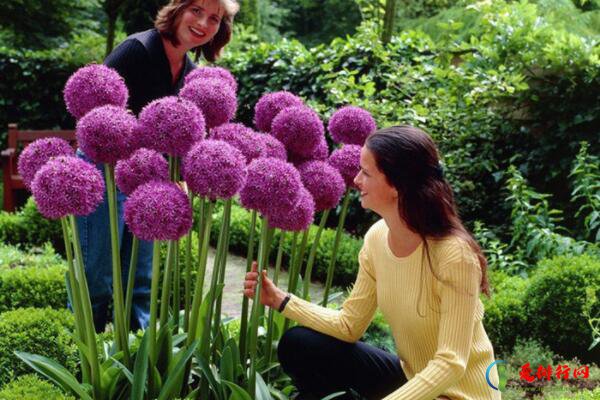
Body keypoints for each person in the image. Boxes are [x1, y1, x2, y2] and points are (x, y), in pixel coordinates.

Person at [244, 125, 501, 400]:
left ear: (396, 185)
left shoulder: (454, 255)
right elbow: (349, 325)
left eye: (366, 172)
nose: (356, 180)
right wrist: (281, 300)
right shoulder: (377, 239)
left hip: (462, 394)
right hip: (414, 378)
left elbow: (451, 363)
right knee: (299, 345)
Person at [77, 0, 239, 332]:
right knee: (97, 276)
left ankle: (138, 356)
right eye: (196, 10)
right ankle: (88, 361)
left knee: (140, 279)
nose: (203, 23)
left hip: (149, 179)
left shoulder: (192, 76)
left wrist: (179, 175)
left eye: (214, 19)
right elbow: (93, 116)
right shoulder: (135, 50)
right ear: (177, 9)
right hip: (102, 172)